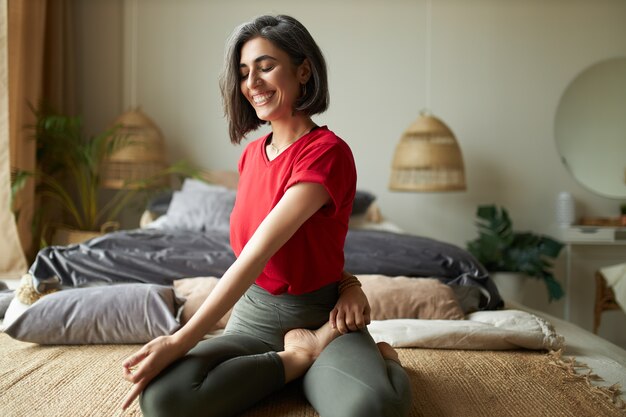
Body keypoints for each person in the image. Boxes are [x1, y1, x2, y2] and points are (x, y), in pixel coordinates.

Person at [121, 14, 411, 417]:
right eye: (243, 73)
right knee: (163, 398)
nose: (251, 83)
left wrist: (179, 340)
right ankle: (296, 362)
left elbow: (257, 252)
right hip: (253, 318)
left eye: (265, 66)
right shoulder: (251, 157)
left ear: (303, 70)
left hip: (323, 320)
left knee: (371, 409)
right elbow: (270, 260)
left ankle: (383, 359)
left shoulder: (326, 152)